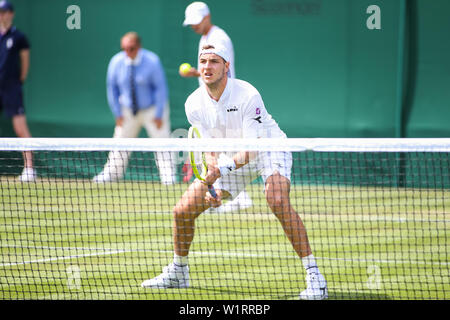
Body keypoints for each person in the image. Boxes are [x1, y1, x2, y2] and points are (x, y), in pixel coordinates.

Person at [141, 44, 328, 300]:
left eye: (214, 62)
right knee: (182, 211)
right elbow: (208, 148)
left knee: (276, 199)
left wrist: (221, 169)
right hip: (230, 156)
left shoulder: (247, 95)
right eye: (203, 61)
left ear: (226, 66)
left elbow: (251, 151)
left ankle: (315, 277)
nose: (207, 67)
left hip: (267, 147)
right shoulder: (194, 104)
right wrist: (212, 185)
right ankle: (178, 272)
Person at [180, 1, 252, 212]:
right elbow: (211, 71)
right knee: (220, 151)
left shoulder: (219, 38)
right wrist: (197, 73)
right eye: (191, 23)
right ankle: (235, 196)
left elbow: (224, 72)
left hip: (224, 102)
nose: (193, 26)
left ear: (207, 17)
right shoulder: (205, 38)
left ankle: (238, 196)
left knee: (226, 151)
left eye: (196, 21)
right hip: (213, 100)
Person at [93, 32, 176, 184]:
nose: (127, 52)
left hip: (152, 109)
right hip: (127, 110)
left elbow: (160, 89)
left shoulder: (152, 61)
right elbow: (112, 89)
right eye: (124, 48)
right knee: (120, 142)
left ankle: (168, 177)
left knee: (162, 142)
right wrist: (117, 113)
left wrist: (158, 114)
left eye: (131, 48)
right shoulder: (116, 62)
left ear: (138, 47)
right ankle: (111, 174)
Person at [0, 0, 35, 182]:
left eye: (5, 12)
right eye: (0, 12)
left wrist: (19, 80)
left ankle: (29, 169)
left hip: (12, 88)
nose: (2, 15)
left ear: (11, 14)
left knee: (20, 128)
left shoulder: (19, 37)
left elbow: (25, 61)